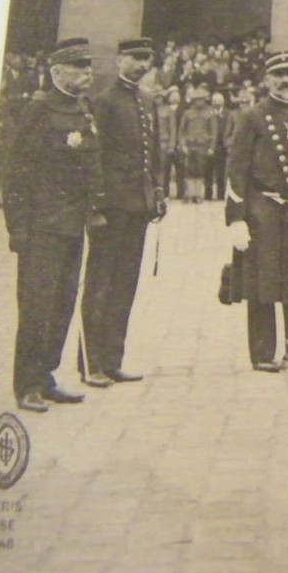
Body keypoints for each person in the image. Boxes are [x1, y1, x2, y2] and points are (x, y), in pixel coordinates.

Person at [3, 37, 102, 412]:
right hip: (42, 227)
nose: (87, 73)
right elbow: (17, 170)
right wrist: (18, 228)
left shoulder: (81, 108)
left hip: (73, 225)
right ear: (57, 72)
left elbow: (91, 164)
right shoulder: (39, 110)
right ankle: (27, 383)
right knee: (36, 306)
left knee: (62, 303)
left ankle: (46, 376)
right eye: (79, 67)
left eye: (88, 66)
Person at [80, 37, 164, 387]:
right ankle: (92, 364)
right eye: (134, 59)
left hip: (138, 206)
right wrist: (96, 206)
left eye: (146, 59)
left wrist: (157, 192)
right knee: (101, 283)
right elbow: (94, 156)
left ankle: (114, 360)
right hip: (112, 207)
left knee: (125, 283)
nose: (141, 65)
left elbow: (155, 152)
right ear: (119, 61)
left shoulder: (146, 101)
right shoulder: (104, 101)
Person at [225, 49, 288, 373]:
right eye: (278, 75)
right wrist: (236, 218)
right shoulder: (252, 116)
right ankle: (263, 352)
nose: (285, 81)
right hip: (263, 207)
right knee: (262, 283)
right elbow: (236, 168)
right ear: (267, 80)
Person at [178, 86, 216, 203]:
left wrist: (211, 147)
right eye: (198, 99)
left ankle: (198, 195)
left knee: (200, 171)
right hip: (190, 145)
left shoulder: (210, 113)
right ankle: (190, 194)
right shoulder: (187, 113)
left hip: (202, 146)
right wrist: (183, 144)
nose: (200, 101)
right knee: (189, 171)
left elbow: (213, 132)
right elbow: (182, 131)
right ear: (194, 100)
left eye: (202, 99)